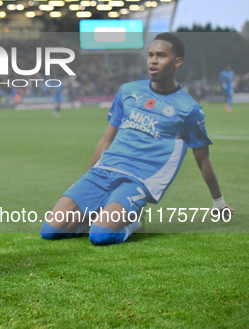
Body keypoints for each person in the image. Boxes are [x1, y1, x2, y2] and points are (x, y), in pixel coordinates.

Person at [41, 32, 235, 246]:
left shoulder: (189, 110)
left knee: (101, 236)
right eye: (151, 55)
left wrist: (219, 203)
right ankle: (99, 216)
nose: (153, 60)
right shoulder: (128, 91)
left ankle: (134, 221)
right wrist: (89, 175)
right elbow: (106, 140)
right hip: (103, 171)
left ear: (177, 61)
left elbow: (203, 160)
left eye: (161, 55)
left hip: (137, 181)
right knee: (50, 230)